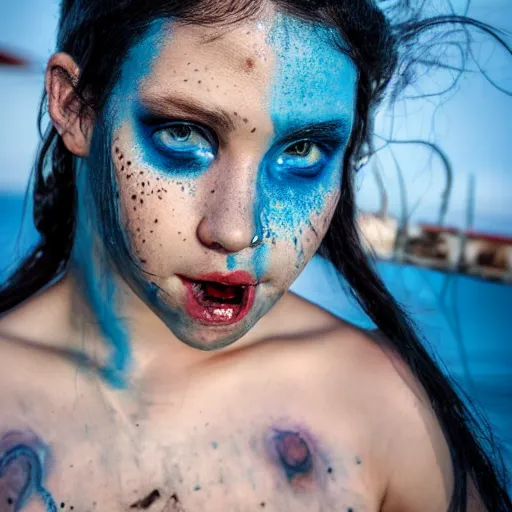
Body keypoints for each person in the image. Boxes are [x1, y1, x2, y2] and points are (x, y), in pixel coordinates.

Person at [0, 0, 510, 510]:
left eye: (302, 150)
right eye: (183, 133)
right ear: (75, 106)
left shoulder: (380, 404)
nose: (238, 231)